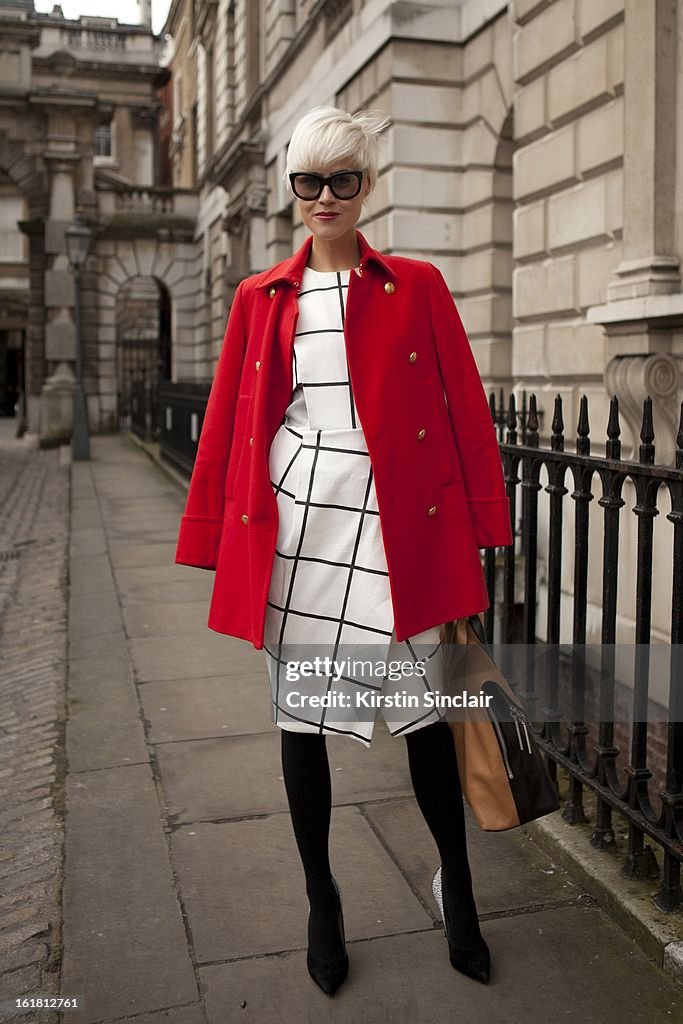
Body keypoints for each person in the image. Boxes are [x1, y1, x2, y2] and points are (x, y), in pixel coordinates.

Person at [175, 105, 513, 995]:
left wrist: (484, 526)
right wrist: (210, 532)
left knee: (427, 717)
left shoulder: (419, 285)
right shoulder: (259, 296)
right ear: (292, 189)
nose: (325, 197)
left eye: (343, 180)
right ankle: (322, 898)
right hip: (299, 528)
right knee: (302, 718)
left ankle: (459, 885)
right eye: (308, 181)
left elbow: (465, 413)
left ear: (367, 186)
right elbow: (228, 426)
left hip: (397, 521)